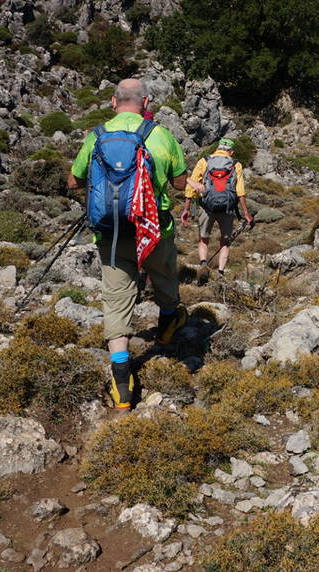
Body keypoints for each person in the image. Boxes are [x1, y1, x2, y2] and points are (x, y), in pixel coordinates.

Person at [67, 78, 201, 410]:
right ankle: (168, 323)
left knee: (116, 302)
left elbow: (74, 181)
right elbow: (180, 181)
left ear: (113, 103)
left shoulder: (96, 136)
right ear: (145, 102)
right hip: (153, 230)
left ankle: (122, 385)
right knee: (166, 276)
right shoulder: (160, 134)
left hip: (112, 234)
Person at [181, 137, 254, 283]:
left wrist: (186, 209)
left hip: (207, 207)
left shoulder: (205, 161)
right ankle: (220, 272)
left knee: (203, 239)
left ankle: (203, 264)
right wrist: (246, 213)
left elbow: (192, 185)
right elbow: (240, 191)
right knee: (225, 241)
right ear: (231, 151)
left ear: (218, 148)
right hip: (227, 209)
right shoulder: (235, 164)